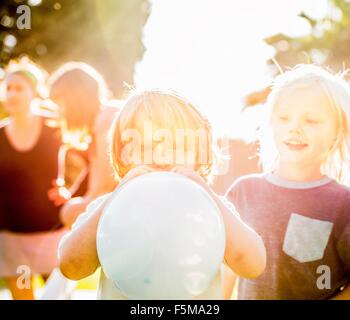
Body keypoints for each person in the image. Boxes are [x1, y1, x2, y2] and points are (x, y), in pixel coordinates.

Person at [58, 89, 266, 299]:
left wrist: (208, 194)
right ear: (124, 156)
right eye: (145, 146)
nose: (161, 156)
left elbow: (253, 265)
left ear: (199, 156)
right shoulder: (110, 209)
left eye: (176, 146)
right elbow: (72, 266)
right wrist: (114, 198)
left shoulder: (210, 210)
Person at [226, 64, 350, 299]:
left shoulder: (344, 204)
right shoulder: (243, 192)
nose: (294, 128)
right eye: (284, 118)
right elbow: (225, 273)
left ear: (337, 130)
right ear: (271, 123)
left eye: (311, 120)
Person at [0, 58, 65, 299]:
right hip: (11, 238)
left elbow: (90, 156)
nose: (12, 94)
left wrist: (74, 194)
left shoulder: (54, 127)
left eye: (19, 88)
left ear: (34, 92)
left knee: (58, 297)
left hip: (52, 233)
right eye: (8, 88)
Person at [49, 62, 119, 228]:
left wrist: (75, 207)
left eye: (60, 102)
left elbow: (105, 184)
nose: (59, 111)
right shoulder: (99, 124)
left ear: (74, 99)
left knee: (69, 212)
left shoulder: (106, 118)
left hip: (127, 201)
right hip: (119, 201)